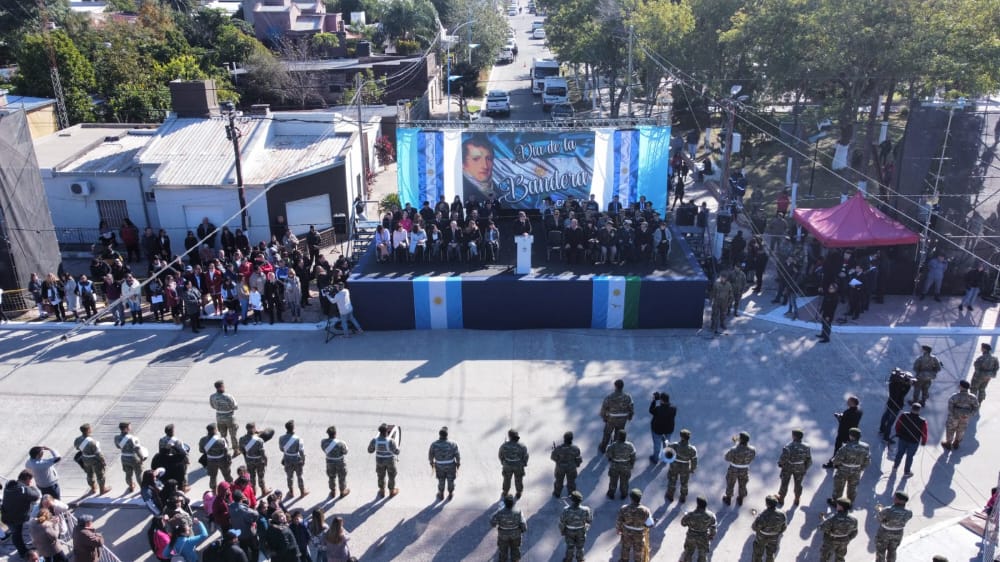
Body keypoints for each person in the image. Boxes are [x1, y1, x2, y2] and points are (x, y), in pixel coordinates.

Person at [2, 470, 41, 558]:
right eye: (30, 480)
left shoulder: (9, 486)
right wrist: (32, 487)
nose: (31, 482)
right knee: (17, 534)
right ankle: (24, 553)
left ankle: (22, 551)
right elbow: (36, 496)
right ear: (27, 479)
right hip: (17, 518)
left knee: (16, 534)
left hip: (7, 515)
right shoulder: (24, 489)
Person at [828, 427, 870, 506]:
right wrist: (861, 468)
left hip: (843, 470)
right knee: (852, 488)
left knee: (839, 487)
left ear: (851, 436)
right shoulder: (866, 447)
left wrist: (835, 464)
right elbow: (867, 460)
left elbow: (837, 460)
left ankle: (837, 503)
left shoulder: (846, 447)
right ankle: (849, 503)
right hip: (856, 470)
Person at [823, 396, 862, 468]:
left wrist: (838, 417)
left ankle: (834, 463)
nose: (847, 402)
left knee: (838, 448)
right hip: (852, 433)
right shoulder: (859, 411)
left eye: (849, 401)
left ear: (852, 403)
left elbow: (842, 421)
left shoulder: (848, 412)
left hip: (843, 433)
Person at [775, 429, 812, 506]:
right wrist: (805, 468)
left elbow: (783, 458)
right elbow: (809, 459)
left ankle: (781, 498)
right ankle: (797, 498)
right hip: (800, 467)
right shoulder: (807, 447)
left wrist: (780, 464)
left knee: (784, 483)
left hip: (788, 467)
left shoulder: (788, 446)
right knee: (798, 484)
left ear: (794, 436)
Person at [616, 488, 652, 562]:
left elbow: (619, 521)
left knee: (625, 549)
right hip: (639, 534)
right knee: (638, 552)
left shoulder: (624, 508)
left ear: (631, 498)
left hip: (626, 533)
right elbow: (650, 524)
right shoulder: (646, 510)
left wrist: (618, 529)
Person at [875, 491, 913, 562]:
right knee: (892, 550)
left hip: (884, 533)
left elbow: (879, 518)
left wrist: (880, 509)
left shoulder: (887, 510)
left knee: (881, 551)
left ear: (898, 500)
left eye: (895, 497)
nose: (894, 498)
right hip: (898, 533)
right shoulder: (909, 512)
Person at [598, 379, 634, 454]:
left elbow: (604, 408)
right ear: (622, 387)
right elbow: (631, 408)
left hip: (611, 419)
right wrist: (630, 417)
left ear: (615, 386)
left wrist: (604, 418)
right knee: (618, 434)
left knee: (607, 433)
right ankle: (615, 448)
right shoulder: (628, 397)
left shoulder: (610, 397)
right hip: (622, 420)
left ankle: (603, 448)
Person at [942, 380, 980, 450]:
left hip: (954, 417)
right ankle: (956, 443)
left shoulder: (954, 396)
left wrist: (953, 415)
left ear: (961, 387)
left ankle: (948, 443)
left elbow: (950, 407)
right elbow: (976, 407)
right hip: (965, 417)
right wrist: (969, 415)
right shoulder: (973, 397)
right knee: (961, 430)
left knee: (950, 429)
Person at [74, 423, 111, 494]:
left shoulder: (78, 439)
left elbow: (77, 447)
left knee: (89, 474)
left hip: (85, 459)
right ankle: (102, 490)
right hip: (95, 460)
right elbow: (99, 454)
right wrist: (103, 461)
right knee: (100, 475)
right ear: (88, 430)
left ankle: (93, 488)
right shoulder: (93, 442)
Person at [892, 403, 928, 477]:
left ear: (911, 408)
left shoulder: (904, 415)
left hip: (903, 438)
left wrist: (898, 433)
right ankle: (906, 471)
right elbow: (924, 432)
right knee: (910, 456)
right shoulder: (922, 421)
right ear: (919, 411)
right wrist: (924, 441)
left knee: (900, 453)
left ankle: (895, 466)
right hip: (914, 442)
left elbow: (897, 425)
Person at [880, 368, 915, 442]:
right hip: (897, 406)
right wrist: (908, 385)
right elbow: (903, 394)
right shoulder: (901, 386)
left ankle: (881, 429)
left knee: (885, 416)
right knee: (890, 422)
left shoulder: (892, 383)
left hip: (890, 402)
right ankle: (886, 437)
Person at [722, 431, 756, 506]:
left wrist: (736, 445)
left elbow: (727, 458)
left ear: (741, 439)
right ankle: (740, 499)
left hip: (733, 469)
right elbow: (752, 458)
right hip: (744, 469)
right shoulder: (752, 449)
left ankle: (728, 499)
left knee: (730, 483)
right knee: (743, 484)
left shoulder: (734, 449)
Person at [490, 494, 527, 562]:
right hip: (516, 534)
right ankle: (515, 560)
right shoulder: (518, 511)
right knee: (515, 549)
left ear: (505, 503)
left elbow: (492, 522)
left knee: (503, 550)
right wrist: (522, 530)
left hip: (503, 535)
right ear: (513, 503)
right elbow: (523, 524)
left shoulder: (500, 512)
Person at [820, 498, 858, 562]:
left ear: (841, 507)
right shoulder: (853, 520)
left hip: (831, 541)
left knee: (825, 557)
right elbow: (854, 532)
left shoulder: (833, 518)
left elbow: (822, 527)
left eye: (837, 505)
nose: (836, 506)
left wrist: (823, 520)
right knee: (840, 558)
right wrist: (847, 538)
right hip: (844, 541)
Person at [751, 495, 787, 562]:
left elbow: (754, 527)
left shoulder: (763, 515)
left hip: (762, 538)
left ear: (767, 504)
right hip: (774, 538)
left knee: (758, 554)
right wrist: (776, 532)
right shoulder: (782, 514)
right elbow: (784, 528)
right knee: (770, 554)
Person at [428, 426, 461, 500]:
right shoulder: (453, 444)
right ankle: (450, 493)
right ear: (447, 435)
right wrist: (458, 463)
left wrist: (431, 462)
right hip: (451, 465)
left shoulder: (434, 444)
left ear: (439, 435)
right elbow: (457, 455)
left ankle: (441, 493)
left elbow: (431, 454)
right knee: (450, 479)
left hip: (439, 465)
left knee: (441, 479)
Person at [680, 496, 717, 562]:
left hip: (691, 536)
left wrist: (686, 516)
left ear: (698, 505)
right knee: (702, 555)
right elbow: (713, 527)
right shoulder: (711, 515)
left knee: (688, 552)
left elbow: (683, 523)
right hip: (703, 536)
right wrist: (711, 535)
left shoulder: (690, 514)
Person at [368, 423, 400, 497]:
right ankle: (391, 491)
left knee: (381, 475)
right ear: (387, 431)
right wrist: (398, 450)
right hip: (390, 461)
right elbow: (396, 452)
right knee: (391, 475)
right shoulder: (391, 441)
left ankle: (382, 491)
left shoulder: (374, 440)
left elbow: (370, 450)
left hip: (379, 461)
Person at [558, 490, 592, 562]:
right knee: (580, 547)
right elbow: (589, 520)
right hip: (581, 531)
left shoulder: (566, 510)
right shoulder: (586, 509)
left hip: (569, 531)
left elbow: (562, 522)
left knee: (570, 547)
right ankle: (580, 560)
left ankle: (568, 559)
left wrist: (562, 531)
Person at [665, 429, 698, 503]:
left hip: (674, 466)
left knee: (672, 480)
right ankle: (683, 497)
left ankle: (670, 495)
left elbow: (667, 451)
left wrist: (666, 444)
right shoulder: (692, 449)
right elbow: (694, 460)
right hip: (685, 467)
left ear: (681, 437)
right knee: (684, 482)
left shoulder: (674, 445)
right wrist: (692, 469)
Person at [278, 419, 308, 498]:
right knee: (300, 476)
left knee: (289, 476)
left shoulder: (281, 438)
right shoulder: (298, 439)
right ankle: (302, 491)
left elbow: (281, 449)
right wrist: (303, 460)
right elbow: (301, 451)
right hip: (297, 459)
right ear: (293, 428)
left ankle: (291, 492)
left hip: (287, 459)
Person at [199, 423, 233, 491]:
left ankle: (214, 492)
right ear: (215, 430)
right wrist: (229, 461)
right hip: (222, 461)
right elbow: (226, 452)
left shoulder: (203, 440)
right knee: (227, 476)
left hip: (210, 461)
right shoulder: (221, 440)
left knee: (213, 477)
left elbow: (201, 450)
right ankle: (231, 489)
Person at [211, 380, 241, 457]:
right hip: (229, 418)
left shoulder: (212, 396)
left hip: (219, 418)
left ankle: (225, 450)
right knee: (233, 435)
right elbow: (235, 407)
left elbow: (213, 406)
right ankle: (236, 450)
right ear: (221, 387)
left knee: (223, 435)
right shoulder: (228, 396)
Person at [114, 421, 146, 493]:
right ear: (126, 429)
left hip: (124, 457)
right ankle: (142, 489)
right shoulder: (133, 438)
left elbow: (118, 446)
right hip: (134, 458)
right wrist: (142, 457)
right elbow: (137, 449)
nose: (130, 427)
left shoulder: (116, 438)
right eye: (129, 426)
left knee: (128, 474)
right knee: (139, 474)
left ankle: (131, 486)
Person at [605, 430, 637, 500]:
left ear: (618, 437)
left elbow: (608, 455)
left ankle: (611, 494)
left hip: (614, 466)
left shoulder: (613, 445)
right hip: (626, 466)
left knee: (613, 481)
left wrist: (609, 448)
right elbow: (633, 456)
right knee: (624, 481)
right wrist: (631, 465)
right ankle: (624, 494)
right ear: (625, 437)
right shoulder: (630, 445)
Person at [462, 136, 496, 201]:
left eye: (489, 159)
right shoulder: (462, 191)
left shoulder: (501, 192)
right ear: (463, 163)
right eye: (476, 159)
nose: (485, 166)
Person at [321, 425, 350, 499]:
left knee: (331, 477)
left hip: (329, 462)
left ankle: (333, 491)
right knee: (342, 477)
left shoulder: (323, 442)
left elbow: (324, 449)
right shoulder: (341, 443)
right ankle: (342, 491)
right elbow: (345, 452)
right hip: (340, 462)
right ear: (335, 433)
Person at [499, 429, 529, 499]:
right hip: (518, 466)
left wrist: (503, 462)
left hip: (507, 465)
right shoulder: (522, 446)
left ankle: (505, 491)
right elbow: (526, 456)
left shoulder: (504, 445)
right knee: (519, 479)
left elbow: (500, 454)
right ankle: (519, 492)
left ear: (509, 436)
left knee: (506, 479)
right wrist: (524, 463)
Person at [550, 431, 582, 498]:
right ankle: (572, 494)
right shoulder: (575, 449)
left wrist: (558, 461)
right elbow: (578, 458)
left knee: (559, 481)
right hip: (571, 468)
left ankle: (557, 493)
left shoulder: (558, 448)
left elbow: (552, 457)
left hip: (560, 468)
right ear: (571, 439)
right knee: (571, 482)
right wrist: (576, 464)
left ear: (564, 439)